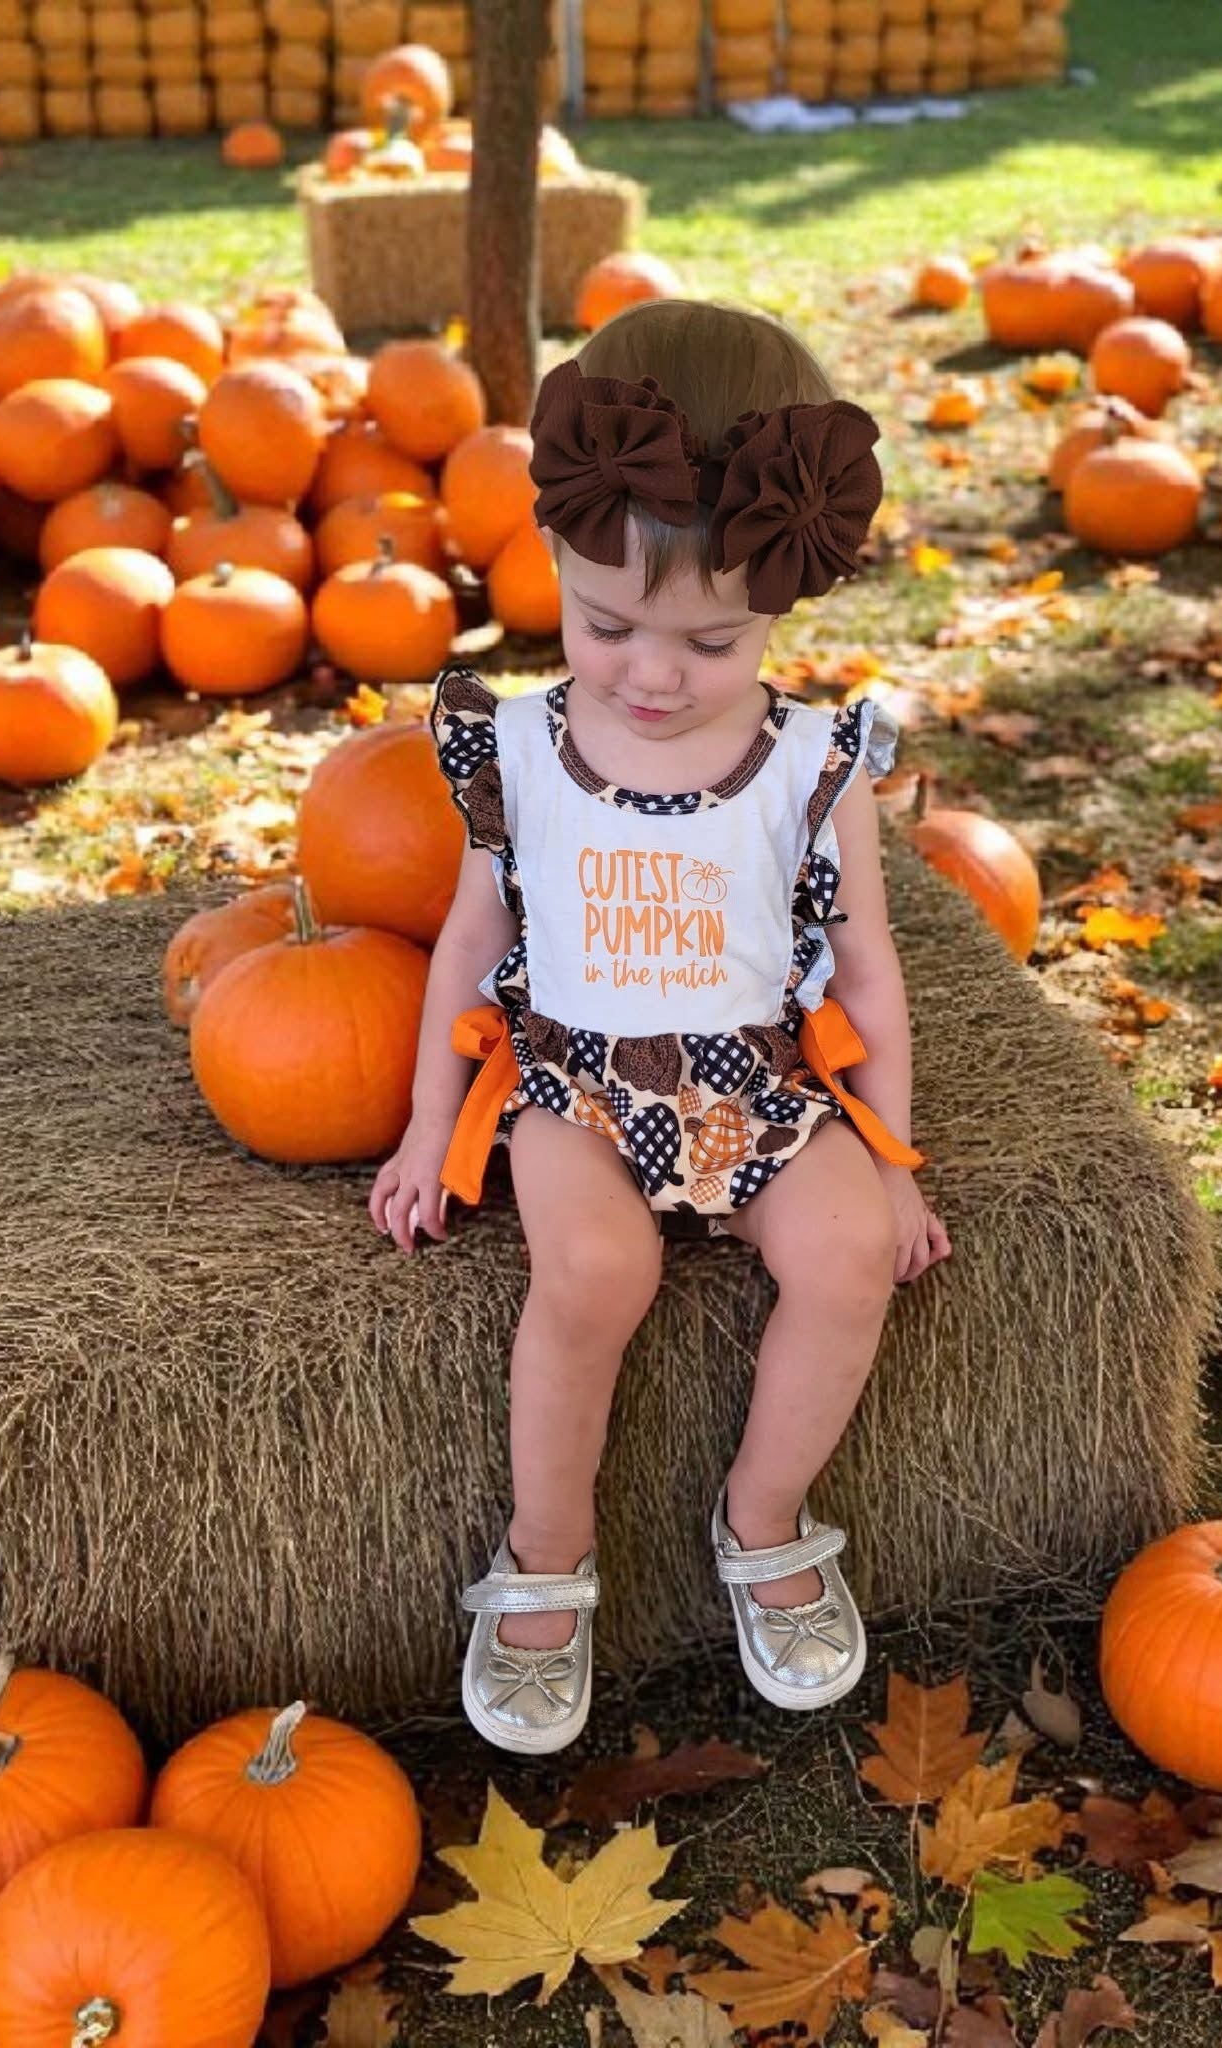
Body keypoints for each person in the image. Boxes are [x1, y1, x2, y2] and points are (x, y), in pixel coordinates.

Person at [368, 297, 950, 1756]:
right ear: (556, 558)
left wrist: (889, 1165)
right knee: (591, 1264)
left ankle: (762, 1515)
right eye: (604, 620)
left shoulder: (814, 765)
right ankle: (548, 1547)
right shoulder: (518, 749)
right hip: (576, 1082)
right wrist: (430, 1129)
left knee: (847, 1257)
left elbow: (863, 971)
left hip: (755, 1081)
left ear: (789, 603)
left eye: (710, 641)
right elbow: (474, 943)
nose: (646, 672)